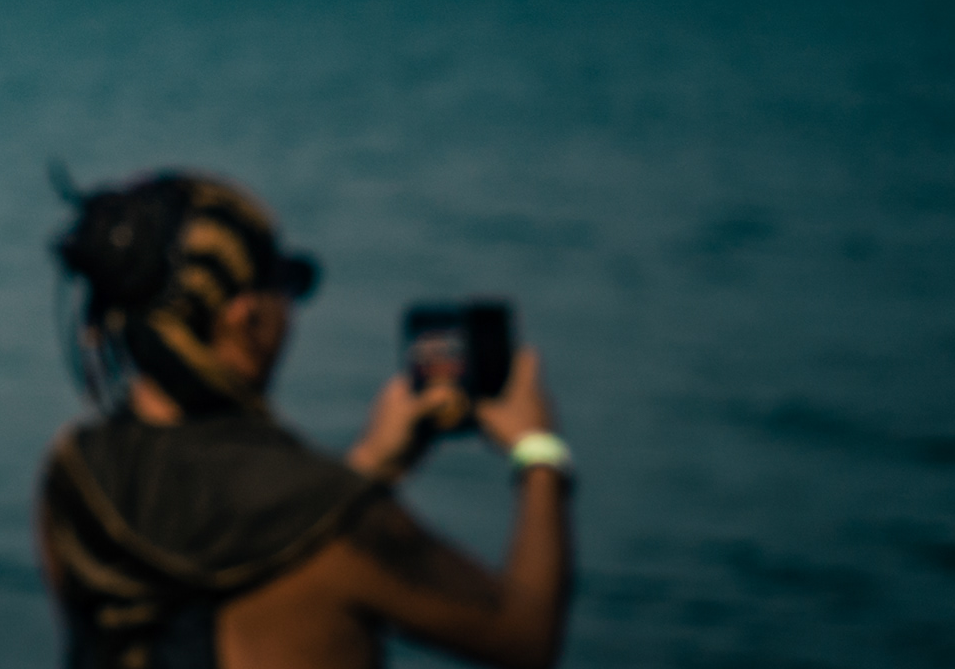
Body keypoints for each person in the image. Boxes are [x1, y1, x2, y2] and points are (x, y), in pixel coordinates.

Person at [35, 174, 576, 669]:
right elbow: (526, 636)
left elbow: (209, 566)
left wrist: (367, 468)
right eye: (288, 285)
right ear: (247, 320)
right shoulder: (341, 526)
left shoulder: (73, 475)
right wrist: (538, 451)